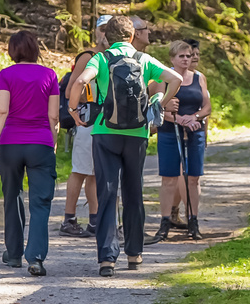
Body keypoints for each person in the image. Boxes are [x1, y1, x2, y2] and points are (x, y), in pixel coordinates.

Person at [66, 15, 184, 276]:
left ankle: (107, 259)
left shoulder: (100, 58)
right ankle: (135, 253)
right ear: (131, 37)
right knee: (133, 191)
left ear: (107, 37)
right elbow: (176, 79)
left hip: (105, 131)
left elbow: (79, 82)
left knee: (107, 194)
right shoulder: (143, 59)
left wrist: (74, 111)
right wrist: (160, 105)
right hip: (137, 133)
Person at [0, 31, 61, 276]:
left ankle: (14, 254)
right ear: (35, 49)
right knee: (40, 202)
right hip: (40, 143)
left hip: (11, 143)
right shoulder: (49, 74)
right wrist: (53, 140)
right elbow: (53, 115)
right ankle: (36, 258)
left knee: (12, 196)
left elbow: (1, 111)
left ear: (13, 50)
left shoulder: (6, 75)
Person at [149, 40, 211, 243]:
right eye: (182, 56)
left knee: (193, 178)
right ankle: (165, 222)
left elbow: (207, 107)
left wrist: (195, 117)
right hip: (169, 132)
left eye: (189, 55)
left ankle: (193, 221)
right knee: (169, 178)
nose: (187, 59)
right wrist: (175, 117)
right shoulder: (163, 79)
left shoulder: (199, 78)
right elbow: (155, 108)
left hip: (195, 132)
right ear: (172, 59)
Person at [57, 49, 98, 238]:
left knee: (94, 173)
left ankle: (95, 221)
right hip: (86, 121)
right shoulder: (89, 57)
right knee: (80, 170)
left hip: (99, 123)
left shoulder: (108, 56)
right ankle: (69, 219)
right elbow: (69, 90)